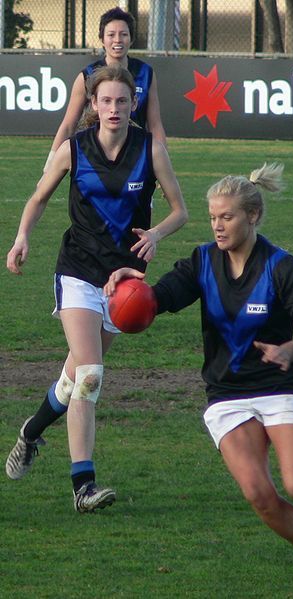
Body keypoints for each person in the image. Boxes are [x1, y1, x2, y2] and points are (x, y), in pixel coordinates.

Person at [104, 163, 293, 587]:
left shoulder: (281, 266)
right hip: (227, 395)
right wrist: (132, 289)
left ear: (252, 216)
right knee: (259, 494)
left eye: (227, 217)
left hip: (280, 388)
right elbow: (158, 298)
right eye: (213, 217)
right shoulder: (201, 261)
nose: (217, 226)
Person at [5, 65, 188, 512]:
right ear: (92, 105)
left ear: (133, 105)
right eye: (105, 101)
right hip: (77, 272)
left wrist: (157, 234)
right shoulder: (73, 149)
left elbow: (180, 211)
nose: (113, 108)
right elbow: (39, 197)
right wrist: (22, 236)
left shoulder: (151, 150)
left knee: (74, 377)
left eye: (122, 101)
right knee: (90, 374)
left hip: (122, 282)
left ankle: (31, 432)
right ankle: (83, 485)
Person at [42, 7, 167, 175]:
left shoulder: (146, 73)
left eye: (124, 34)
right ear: (102, 39)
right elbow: (68, 125)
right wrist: (49, 166)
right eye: (111, 35)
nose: (118, 40)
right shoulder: (87, 76)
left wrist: (164, 166)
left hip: (136, 157)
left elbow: (155, 124)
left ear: (131, 39)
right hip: (95, 158)